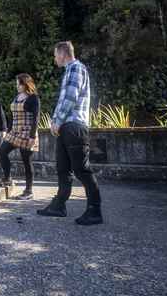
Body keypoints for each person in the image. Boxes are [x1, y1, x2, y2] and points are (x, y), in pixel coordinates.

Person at [37, 41, 103, 225]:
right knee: (63, 168)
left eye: (55, 55)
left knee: (82, 170)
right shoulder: (69, 70)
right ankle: (58, 206)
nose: (54, 58)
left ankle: (95, 211)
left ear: (63, 54)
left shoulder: (76, 68)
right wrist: (55, 121)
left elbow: (71, 98)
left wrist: (57, 121)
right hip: (66, 126)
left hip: (74, 126)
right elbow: (63, 100)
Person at [0, 73, 40, 200]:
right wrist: (8, 130)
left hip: (27, 133)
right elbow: (13, 116)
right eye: (17, 84)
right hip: (14, 132)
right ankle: (7, 178)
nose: (17, 86)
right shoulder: (17, 97)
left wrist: (32, 137)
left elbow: (36, 118)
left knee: (26, 161)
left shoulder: (33, 98)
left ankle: (28, 191)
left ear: (25, 84)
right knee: (2, 151)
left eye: (19, 84)